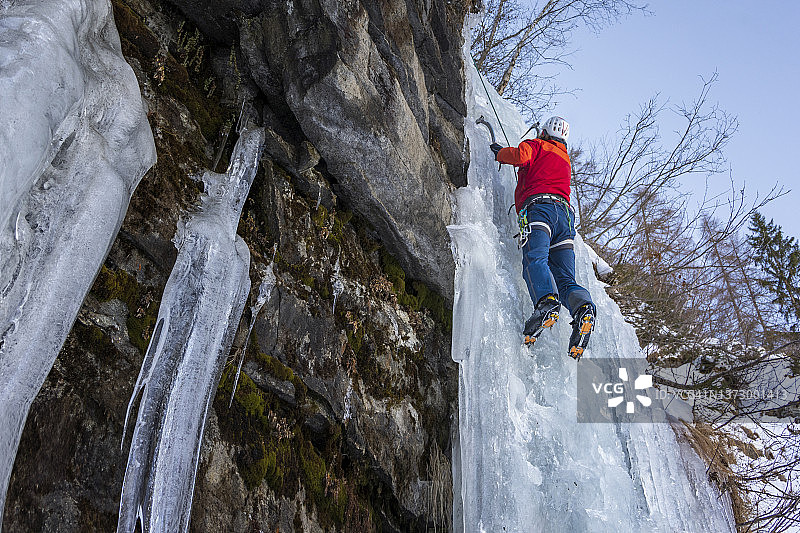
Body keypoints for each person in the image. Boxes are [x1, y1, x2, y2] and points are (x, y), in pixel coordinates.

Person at [490, 116, 595, 359]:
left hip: (540, 210)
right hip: (565, 219)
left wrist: (499, 153)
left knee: (535, 260)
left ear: (545, 132)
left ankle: (547, 303)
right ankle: (582, 309)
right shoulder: (565, 158)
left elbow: (518, 156)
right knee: (565, 278)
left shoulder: (537, 145)